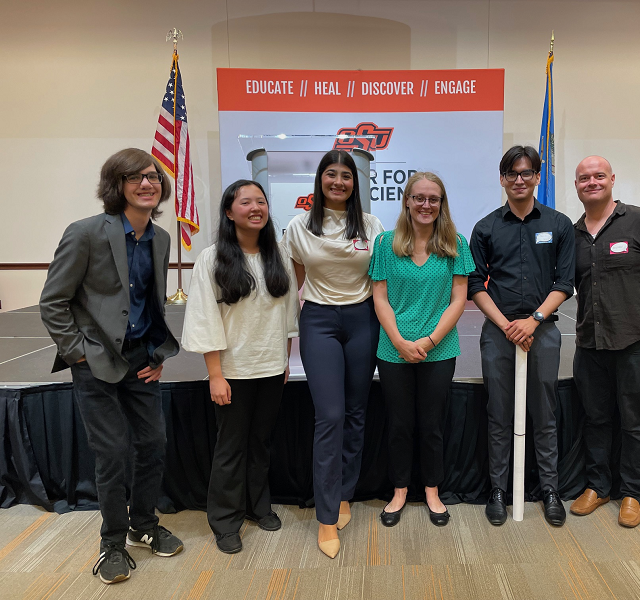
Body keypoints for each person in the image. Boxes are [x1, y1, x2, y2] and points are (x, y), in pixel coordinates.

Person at [39, 148, 183, 585]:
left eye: (153, 176)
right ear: (116, 186)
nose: (147, 183)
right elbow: (53, 302)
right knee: (113, 453)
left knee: (153, 445)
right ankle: (112, 545)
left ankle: (143, 524)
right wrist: (77, 352)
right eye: (135, 177)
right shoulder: (85, 233)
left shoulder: (160, 238)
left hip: (142, 362)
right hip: (95, 362)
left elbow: (152, 307)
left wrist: (158, 353)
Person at [182, 180, 299, 554]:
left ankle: (257, 506)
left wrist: (284, 359)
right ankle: (225, 520)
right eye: (245, 202)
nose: (255, 208)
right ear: (229, 212)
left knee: (261, 443)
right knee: (231, 447)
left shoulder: (278, 254)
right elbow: (204, 319)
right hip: (232, 371)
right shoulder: (212, 258)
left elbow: (288, 314)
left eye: (261, 201)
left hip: (270, 367)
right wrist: (215, 374)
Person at [570, 155, 640, 527]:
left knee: (634, 419)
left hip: (637, 339)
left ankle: (633, 492)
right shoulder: (574, 234)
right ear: (576, 186)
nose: (592, 182)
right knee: (596, 417)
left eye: (598, 176)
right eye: (584, 178)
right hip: (591, 340)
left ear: (612, 179)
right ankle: (598, 486)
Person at [282, 150, 384, 559]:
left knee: (357, 413)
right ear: (320, 180)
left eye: (346, 176)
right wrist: (285, 344)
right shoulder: (299, 227)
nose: (339, 182)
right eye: (331, 174)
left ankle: (344, 493)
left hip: (362, 321)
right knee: (331, 416)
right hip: (320, 322)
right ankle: (326, 518)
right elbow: (295, 285)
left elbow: (380, 281)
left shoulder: (372, 225)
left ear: (355, 183)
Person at [468, 145, 575, 527]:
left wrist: (533, 320)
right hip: (499, 332)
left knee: (545, 413)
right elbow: (475, 284)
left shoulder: (559, 225)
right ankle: (497, 489)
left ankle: (549, 489)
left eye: (526, 173)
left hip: (542, 331)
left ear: (537, 177)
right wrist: (507, 325)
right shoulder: (485, 228)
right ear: (502, 179)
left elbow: (566, 282)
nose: (519, 180)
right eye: (511, 174)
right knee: (498, 412)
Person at [369, 172, 474, 528]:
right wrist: (399, 341)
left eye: (434, 199)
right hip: (393, 348)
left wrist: (429, 341)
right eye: (420, 198)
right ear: (407, 201)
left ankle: (431, 490)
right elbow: (379, 297)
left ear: (441, 204)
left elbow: (459, 300)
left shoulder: (455, 243)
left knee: (431, 425)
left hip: (439, 350)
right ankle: (399, 490)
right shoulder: (385, 244)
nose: (426, 205)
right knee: (398, 424)